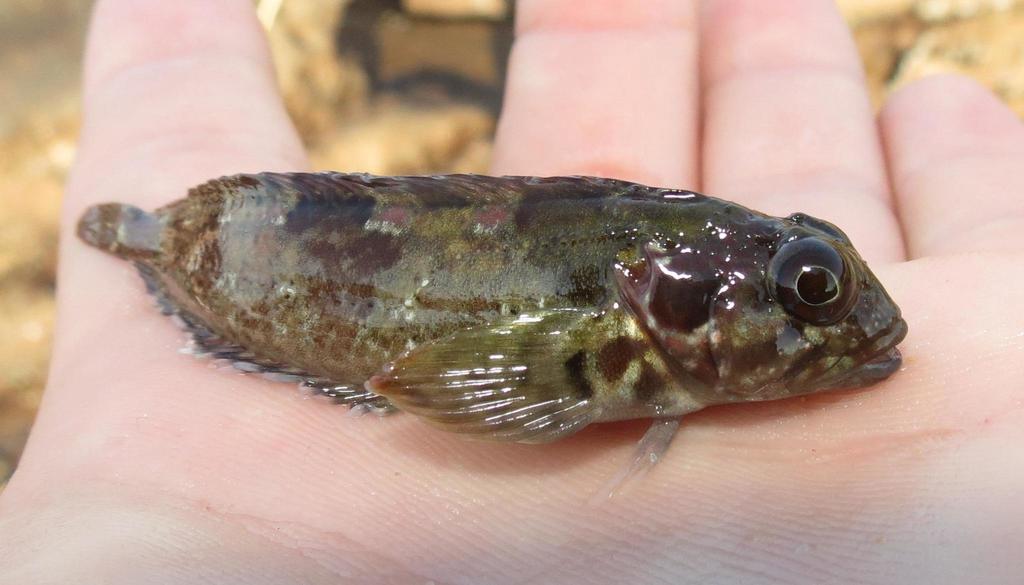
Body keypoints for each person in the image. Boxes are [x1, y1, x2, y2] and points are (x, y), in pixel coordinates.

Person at [2, 0, 1022, 582]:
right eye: (806, 292)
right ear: (671, 309)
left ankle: (150, 234)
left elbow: (457, 383)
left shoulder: (655, 302)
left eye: (812, 289)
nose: (835, 321)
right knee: (183, 234)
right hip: (232, 247)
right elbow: (464, 389)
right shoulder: (633, 315)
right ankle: (153, 238)